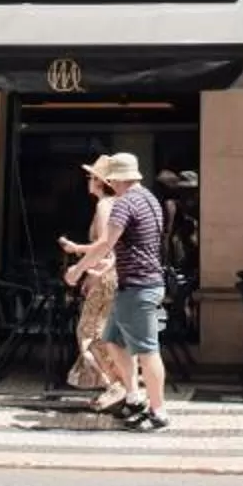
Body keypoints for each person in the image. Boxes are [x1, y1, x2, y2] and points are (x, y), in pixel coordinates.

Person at [69, 152, 172, 431]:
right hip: (136, 285)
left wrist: (78, 270)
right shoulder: (150, 198)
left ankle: (158, 413)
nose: (109, 183)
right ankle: (134, 398)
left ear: (116, 179)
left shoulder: (124, 203)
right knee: (112, 340)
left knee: (148, 352)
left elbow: (106, 244)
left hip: (139, 287)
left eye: (110, 179)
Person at [59, 165, 128, 410]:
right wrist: (78, 249)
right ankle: (118, 384)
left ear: (100, 181)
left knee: (90, 332)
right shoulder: (116, 204)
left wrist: (82, 268)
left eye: (91, 177)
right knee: (99, 331)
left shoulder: (104, 205)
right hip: (110, 274)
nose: (87, 181)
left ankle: (117, 383)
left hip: (105, 275)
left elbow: (105, 245)